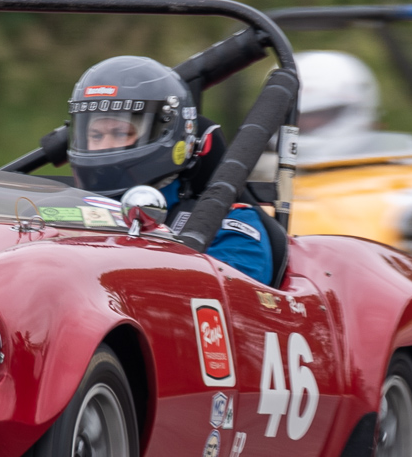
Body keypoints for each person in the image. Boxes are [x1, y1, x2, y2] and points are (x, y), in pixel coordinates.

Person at [65, 55, 279, 285]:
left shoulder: (230, 224)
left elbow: (233, 296)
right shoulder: (59, 212)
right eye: (96, 136)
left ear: (168, 133)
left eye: (120, 133)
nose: (104, 146)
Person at [290, 50, 412, 164]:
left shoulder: (411, 158)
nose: (306, 123)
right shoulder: (269, 172)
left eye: (321, 114)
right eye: (296, 116)